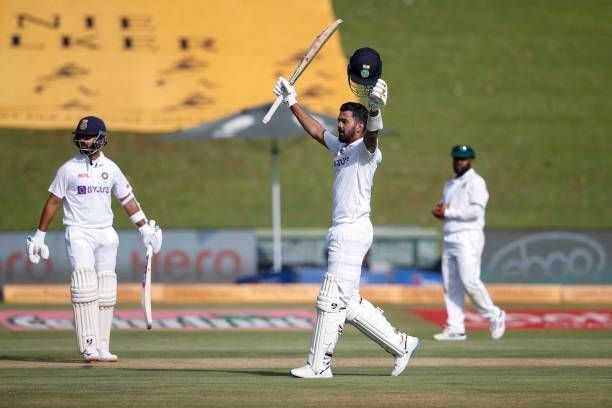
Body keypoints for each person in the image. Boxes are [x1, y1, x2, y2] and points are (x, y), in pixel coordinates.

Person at [271, 47, 419, 379]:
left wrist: (376, 108)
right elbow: (314, 130)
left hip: (352, 230)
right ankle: (402, 343)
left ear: (360, 124)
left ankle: (318, 365)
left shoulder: (368, 152)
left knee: (329, 297)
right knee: (347, 304)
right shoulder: (341, 148)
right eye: (338, 119)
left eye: (344, 120)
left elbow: (374, 136)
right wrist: (291, 99)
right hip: (342, 229)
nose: (338, 124)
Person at [25, 115, 163, 362]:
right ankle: (88, 346)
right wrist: (39, 235)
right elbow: (53, 201)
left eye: (88, 137)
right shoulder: (68, 169)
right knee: (84, 284)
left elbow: (127, 200)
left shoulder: (111, 169)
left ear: (102, 139)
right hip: (78, 231)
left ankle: (102, 346)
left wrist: (145, 230)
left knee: (107, 288)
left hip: (105, 232)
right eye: (81, 137)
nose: (84, 141)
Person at [431, 144, 506, 341]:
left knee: (470, 281)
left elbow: (475, 212)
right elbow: (444, 206)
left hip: (468, 236)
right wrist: (439, 210)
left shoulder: (476, 182)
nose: (459, 162)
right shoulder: (449, 184)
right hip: (449, 236)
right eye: (456, 158)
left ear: (471, 160)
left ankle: (495, 315)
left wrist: (447, 212)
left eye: (463, 159)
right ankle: (456, 327)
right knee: (451, 284)